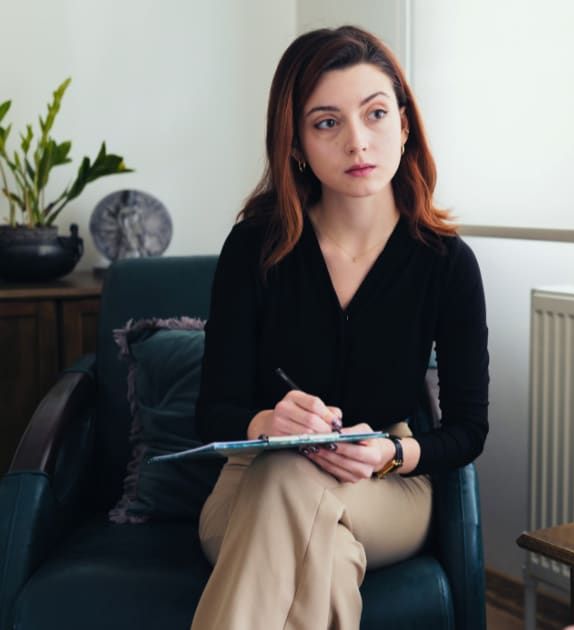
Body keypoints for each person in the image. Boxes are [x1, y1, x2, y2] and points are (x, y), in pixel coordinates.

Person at [190, 26, 489, 629]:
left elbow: (468, 430)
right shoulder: (256, 248)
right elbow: (214, 409)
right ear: (296, 143)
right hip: (253, 481)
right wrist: (265, 423)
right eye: (327, 122)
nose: (358, 142)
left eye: (375, 114)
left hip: (387, 488)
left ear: (404, 125)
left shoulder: (446, 263)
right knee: (308, 518)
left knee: (299, 490)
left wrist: (389, 453)